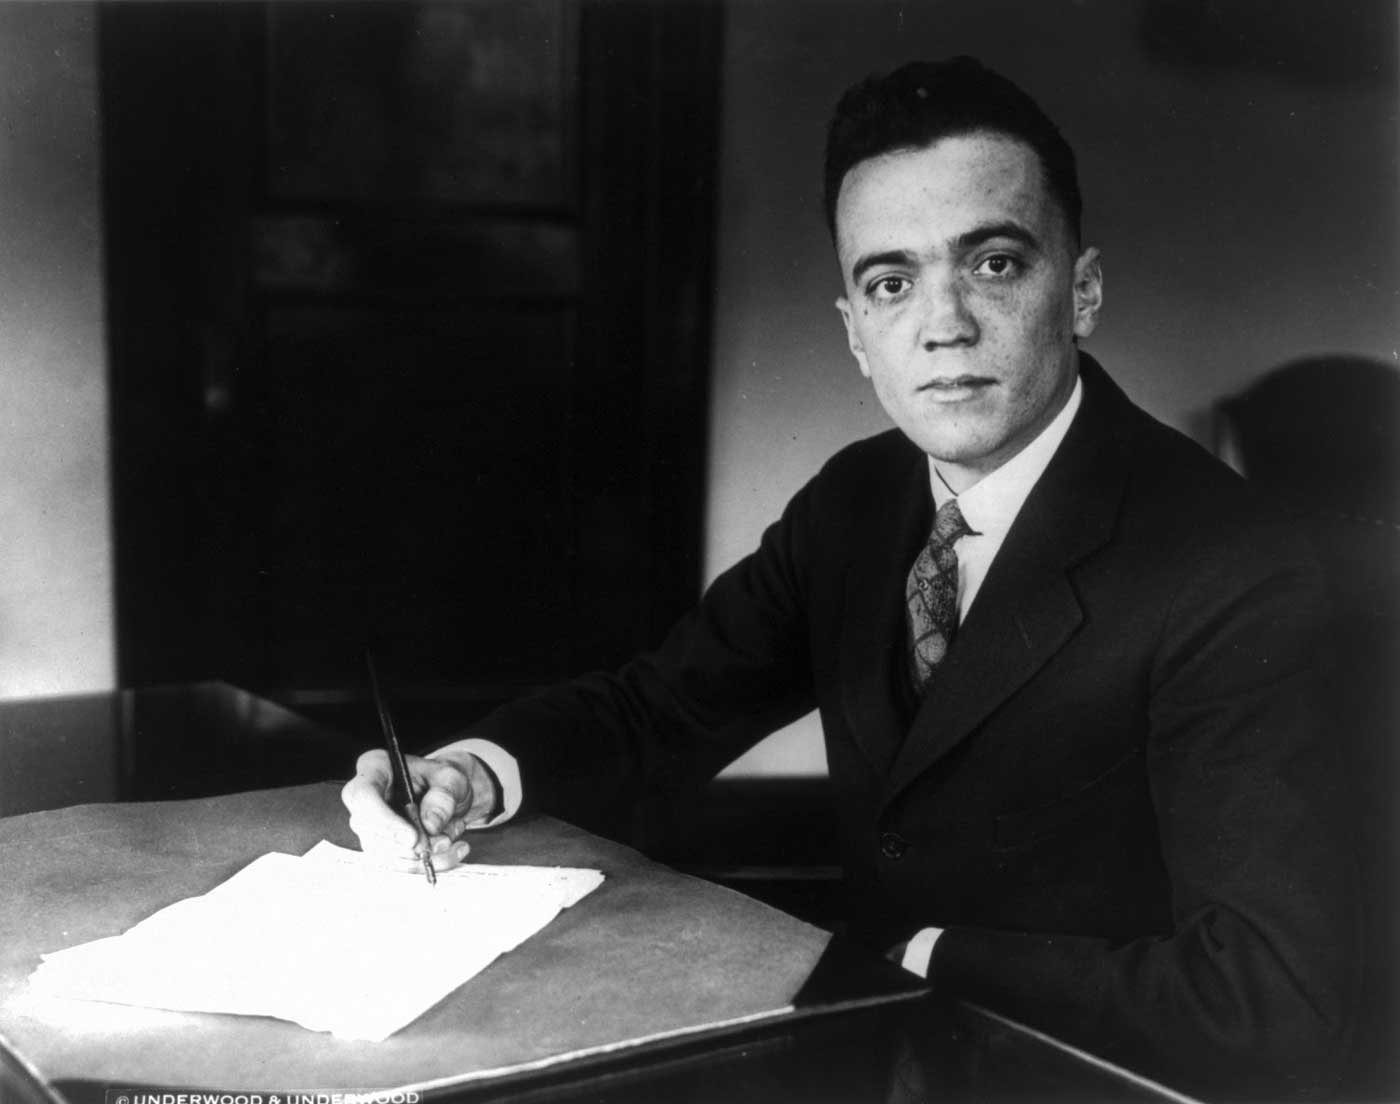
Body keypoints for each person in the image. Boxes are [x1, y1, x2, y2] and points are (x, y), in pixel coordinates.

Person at [342, 57, 1357, 1098]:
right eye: (890, 282)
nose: (943, 323)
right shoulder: (857, 501)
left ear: (1081, 288)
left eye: (995, 264)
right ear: (855, 335)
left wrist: (923, 959)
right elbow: (658, 712)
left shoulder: (1234, 572)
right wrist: (473, 771)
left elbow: (1266, 1003)